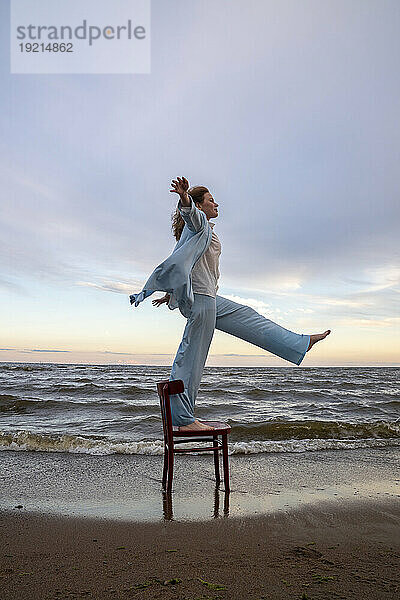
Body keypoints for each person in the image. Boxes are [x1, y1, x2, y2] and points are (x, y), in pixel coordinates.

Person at [130, 176, 331, 432]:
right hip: (202, 302)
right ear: (200, 205)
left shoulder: (203, 234)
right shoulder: (199, 225)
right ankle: (183, 420)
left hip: (208, 298)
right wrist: (184, 199)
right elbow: (192, 216)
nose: (217, 203)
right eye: (211, 200)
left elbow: (185, 265)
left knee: (247, 315)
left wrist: (172, 294)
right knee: (191, 358)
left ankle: (298, 343)